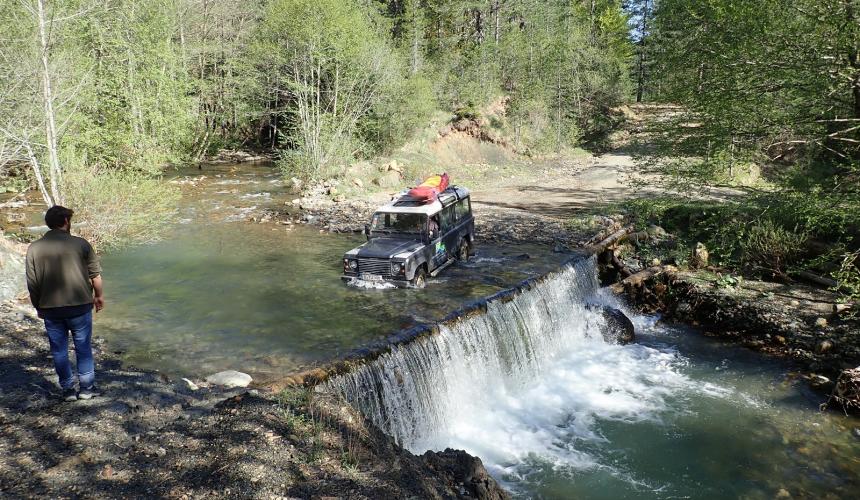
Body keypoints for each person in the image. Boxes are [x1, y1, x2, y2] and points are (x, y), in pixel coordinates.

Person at [25, 206, 104, 402]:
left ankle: (68, 390)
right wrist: (99, 296)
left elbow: (32, 283)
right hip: (79, 305)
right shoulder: (81, 244)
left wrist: (38, 306)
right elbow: (95, 276)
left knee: (59, 350)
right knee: (83, 347)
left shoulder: (34, 248)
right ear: (66, 221)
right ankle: (86, 389)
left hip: (50, 309)